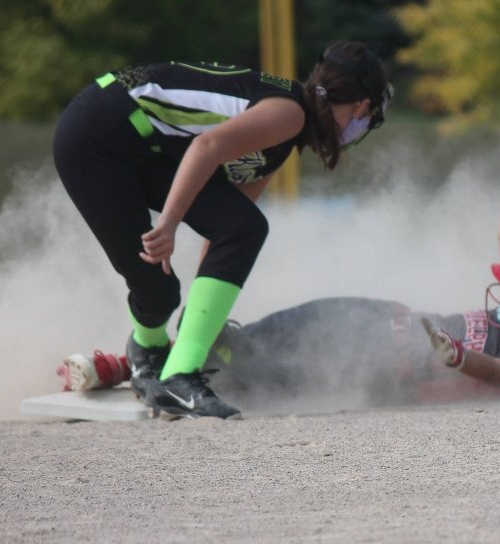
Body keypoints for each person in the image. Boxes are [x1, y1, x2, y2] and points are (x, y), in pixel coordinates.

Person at [58, 93, 500, 412]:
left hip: (371, 370)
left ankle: (117, 368)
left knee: (242, 367)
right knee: (237, 338)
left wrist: (458, 358)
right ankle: (143, 361)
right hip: (366, 317)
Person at [53, 41, 393, 419]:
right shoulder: (290, 114)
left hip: (137, 143)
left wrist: (197, 328)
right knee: (157, 286)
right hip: (95, 136)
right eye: (367, 117)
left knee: (222, 242)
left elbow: (227, 229)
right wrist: (168, 224)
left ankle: (157, 359)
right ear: (361, 106)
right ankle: (171, 370)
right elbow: (206, 147)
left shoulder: (285, 136)